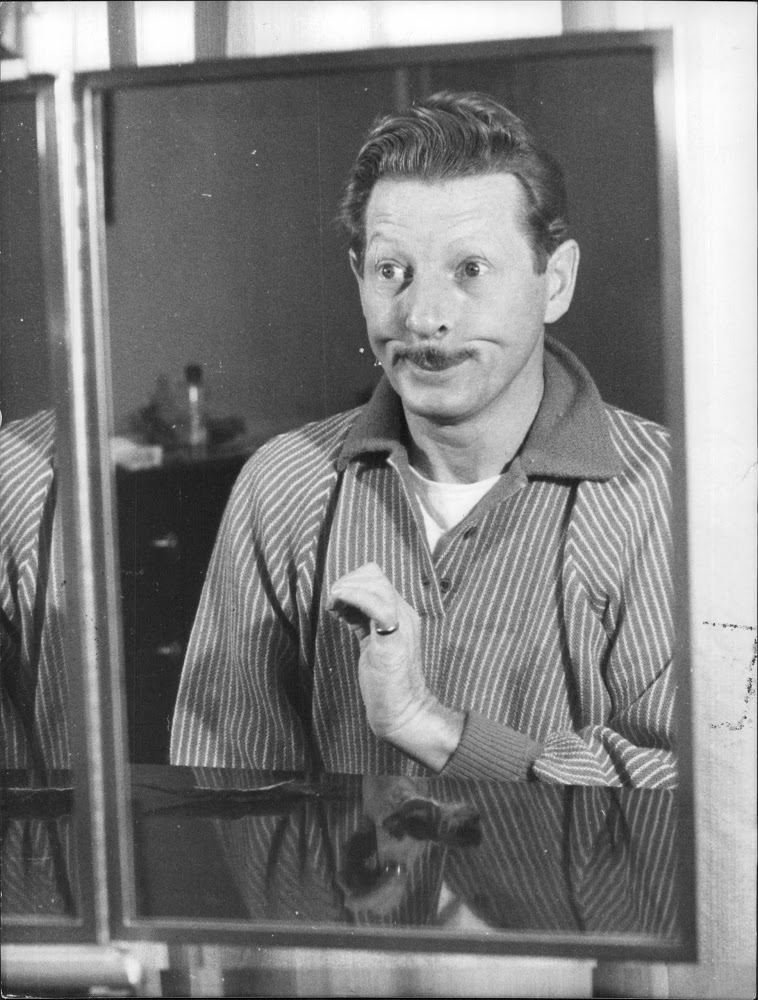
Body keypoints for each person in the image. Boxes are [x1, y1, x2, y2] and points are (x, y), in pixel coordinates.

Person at [170, 91, 676, 787]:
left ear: (555, 282)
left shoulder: (665, 495)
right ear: (358, 277)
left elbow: (700, 797)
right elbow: (230, 792)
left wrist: (428, 726)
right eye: (391, 271)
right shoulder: (282, 486)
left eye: (471, 269)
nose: (423, 316)